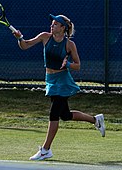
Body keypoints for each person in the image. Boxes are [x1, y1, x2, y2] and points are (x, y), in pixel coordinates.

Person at [13, 14, 105, 160]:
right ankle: (96, 120)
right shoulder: (45, 37)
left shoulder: (69, 45)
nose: (52, 25)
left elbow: (78, 65)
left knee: (54, 113)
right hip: (50, 79)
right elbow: (25, 45)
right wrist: (19, 38)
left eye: (56, 24)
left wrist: (67, 64)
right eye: (52, 23)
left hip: (63, 81)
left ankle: (45, 149)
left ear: (63, 28)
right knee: (65, 115)